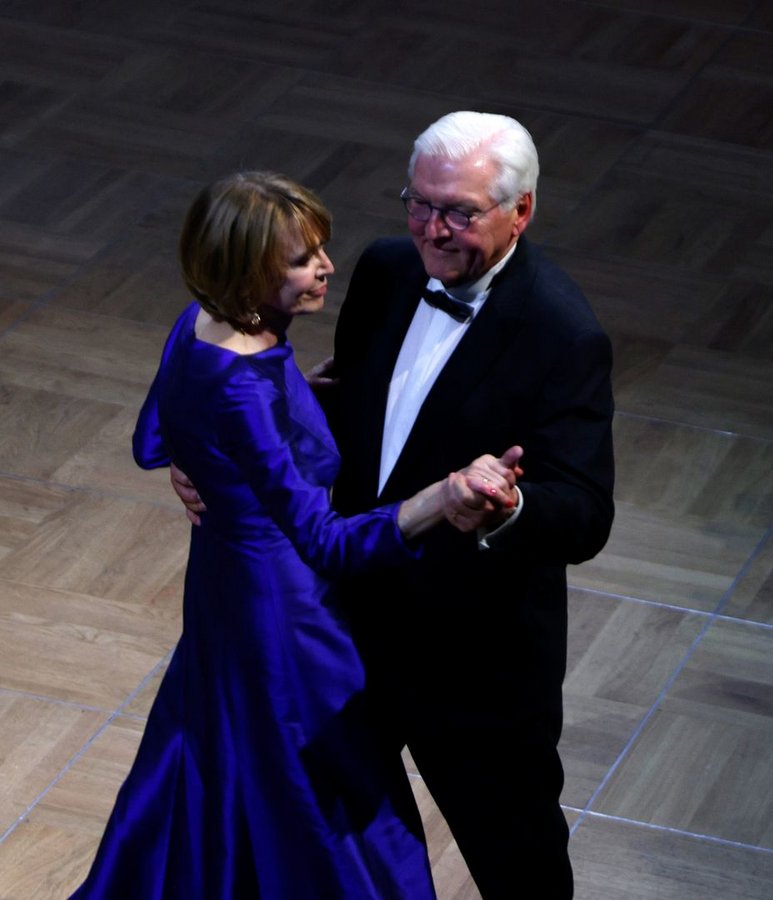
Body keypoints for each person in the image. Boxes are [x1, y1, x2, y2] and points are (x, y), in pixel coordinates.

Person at [74, 172, 518, 897]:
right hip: (286, 616)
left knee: (233, 770)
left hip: (221, 592)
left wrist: (249, 428)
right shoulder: (243, 387)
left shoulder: (197, 326)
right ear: (248, 269)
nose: (326, 268)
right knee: (322, 803)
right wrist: (441, 496)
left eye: (321, 249)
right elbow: (328, 544)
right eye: (302, 258)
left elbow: (153, 438)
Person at [313, 111, 614, 896]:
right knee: (331, 846)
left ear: (522, 212)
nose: (433, 230)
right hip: (348, 626)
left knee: (518, 865)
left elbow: (585, 510)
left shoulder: (562, 331)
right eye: (419, 203)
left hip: (475, 660)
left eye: (459, 212)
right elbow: (351, 415)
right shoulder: (384, 270)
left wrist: (509, 511)